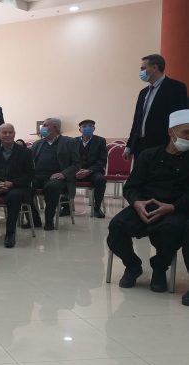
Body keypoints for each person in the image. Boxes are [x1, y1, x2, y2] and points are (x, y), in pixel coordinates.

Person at [108, 109, 189, 294]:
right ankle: (132, 266)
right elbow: (131, 187)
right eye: (186, 132)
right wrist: (137, 203)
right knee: (117, 226)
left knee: (173, 231)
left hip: (174, 209)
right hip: (143, 206)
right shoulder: (148, 155)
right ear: (171, 132)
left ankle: (159, 268)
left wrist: (173, 207)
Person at [0, 123, 34, 248]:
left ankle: (10, 234)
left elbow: (30, 174)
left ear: (14, 134)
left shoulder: (25, 152)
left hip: (16, 186)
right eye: (4, 133)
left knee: (14, 197)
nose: (7, 135)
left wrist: (12, 183)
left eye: (10, 132)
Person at [125, 54, 188, 160]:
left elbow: (180, 119)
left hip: (162, 146)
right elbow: (137, 121)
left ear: (154, 68)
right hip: (140, 147)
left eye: (143, 68)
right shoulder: (143, 93)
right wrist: (129, 146)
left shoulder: (176, 88)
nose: (141, 72)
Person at [26, 118, 80, 231]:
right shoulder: (37, 144)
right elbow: (29, 162)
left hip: (58, 178)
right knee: (24, 186)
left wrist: (63, 174)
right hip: (38, 176)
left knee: (51, 187)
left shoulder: (69, 142)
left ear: (55, 127)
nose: (43, 128)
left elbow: (76, 164)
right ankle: (34, 220)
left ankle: (49, 221)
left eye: (45, 125)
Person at [75, 119, 107, 218]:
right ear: (80, 130)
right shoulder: (73, 141)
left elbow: (102, 160)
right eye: (84, 126)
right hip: (77, 171)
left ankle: (97, 208)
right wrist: (76, 170)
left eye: (90, 126)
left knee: (101, 179)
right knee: (64, 177)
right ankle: (66, 207)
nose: (87, 128)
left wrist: (89, 170)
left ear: (94, 129)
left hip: (93, 171)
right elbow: (70, 159)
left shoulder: (100, 141)